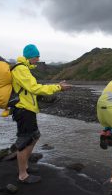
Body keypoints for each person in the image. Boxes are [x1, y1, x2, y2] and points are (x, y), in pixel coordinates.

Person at [11, 44, 71, 184]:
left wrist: (56, 86)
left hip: (28, 110)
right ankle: (22, 175)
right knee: (24, 141)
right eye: (37, 56)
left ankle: (25, 166)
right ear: (31, 56)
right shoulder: (21, 69)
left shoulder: (24, 69)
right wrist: (58, 87)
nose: (38, 59)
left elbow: (30, 89)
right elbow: (35, 88)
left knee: (34, 136)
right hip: (23, 110)